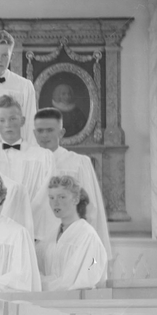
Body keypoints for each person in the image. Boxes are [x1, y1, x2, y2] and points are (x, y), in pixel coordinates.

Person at [32, 107, 110, 254]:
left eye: (50, 130)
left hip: (69, 241)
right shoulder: (28, 164)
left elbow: (90, 207)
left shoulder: (78, 163)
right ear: (34, 133)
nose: (44, 135)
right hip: (35, 242)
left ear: (61, 133)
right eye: (40, 131)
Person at [0, 95, 55, 233]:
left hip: (32, 229)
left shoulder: (43, 157)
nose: (8, 124)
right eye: (2, 120)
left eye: (13, 118)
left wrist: (24, 222)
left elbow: (44, 198)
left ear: (22, 121)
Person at [38, 175, 109, 291]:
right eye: (51, 197)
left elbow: (82, 281)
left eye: (62, 197)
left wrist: (43, 285)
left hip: (75, 303)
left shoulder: (87, 236)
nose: (55, 203)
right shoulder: (50, 236)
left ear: (75, 199)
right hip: (50, 301)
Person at [0, 30, 36, 136]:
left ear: (11, 57)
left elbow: (30, 126)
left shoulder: (25, 86)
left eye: (4, 55)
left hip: (13, 148)